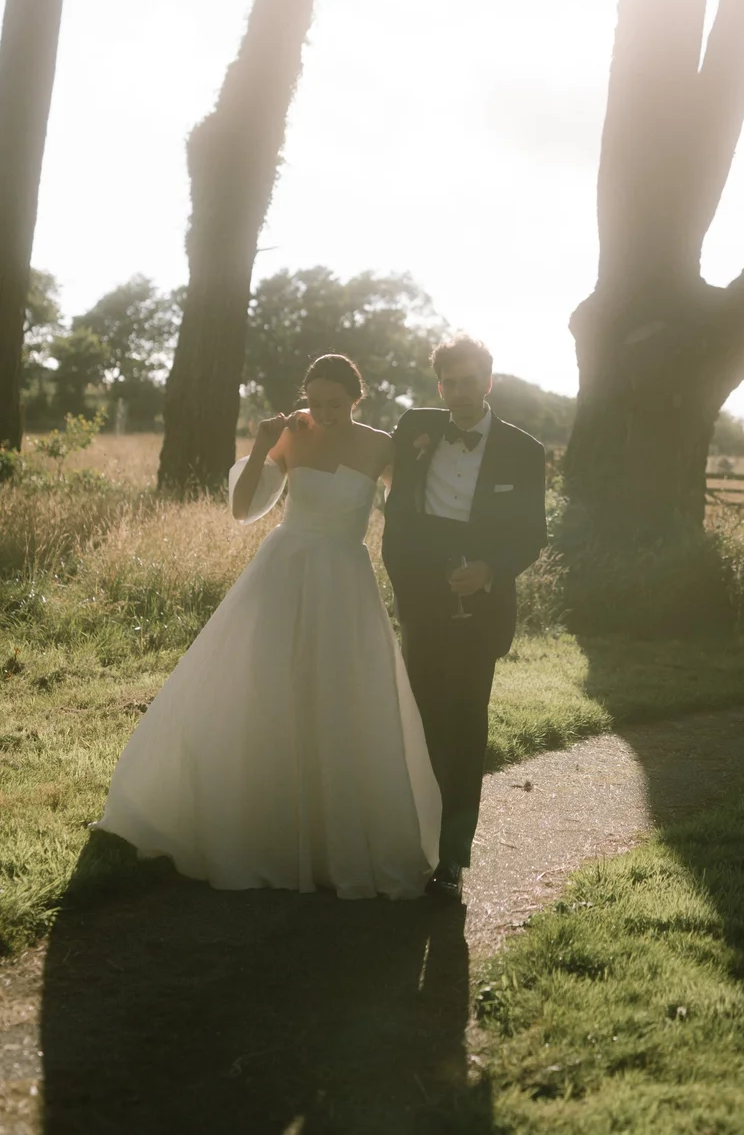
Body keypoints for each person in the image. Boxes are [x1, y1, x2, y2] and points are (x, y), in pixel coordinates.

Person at [94, 354, 441, 899]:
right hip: (283, 573)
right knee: (269, 688)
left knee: (339, 696)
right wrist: (260, 445)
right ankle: (260, 828)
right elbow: (242, 510)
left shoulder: (382, 446)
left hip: (345, 580)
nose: (323, 413)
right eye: (315, 402)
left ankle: (334, 840)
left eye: (335, 403)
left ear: (357, 399)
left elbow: (414, 509)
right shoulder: (291, 435)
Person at [382, 336, 548, 902]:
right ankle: (413, 842)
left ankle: (452, 858)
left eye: (469, 381)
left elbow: (533, 533)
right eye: (449, 383)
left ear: (488, 382)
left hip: (482, 603)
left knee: (464, 725)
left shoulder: (524, 450)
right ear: (439, 386)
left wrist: (489, 569)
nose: (458, 392)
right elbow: (394, 505)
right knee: (419, 721)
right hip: (421, 596)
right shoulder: (415, 427)